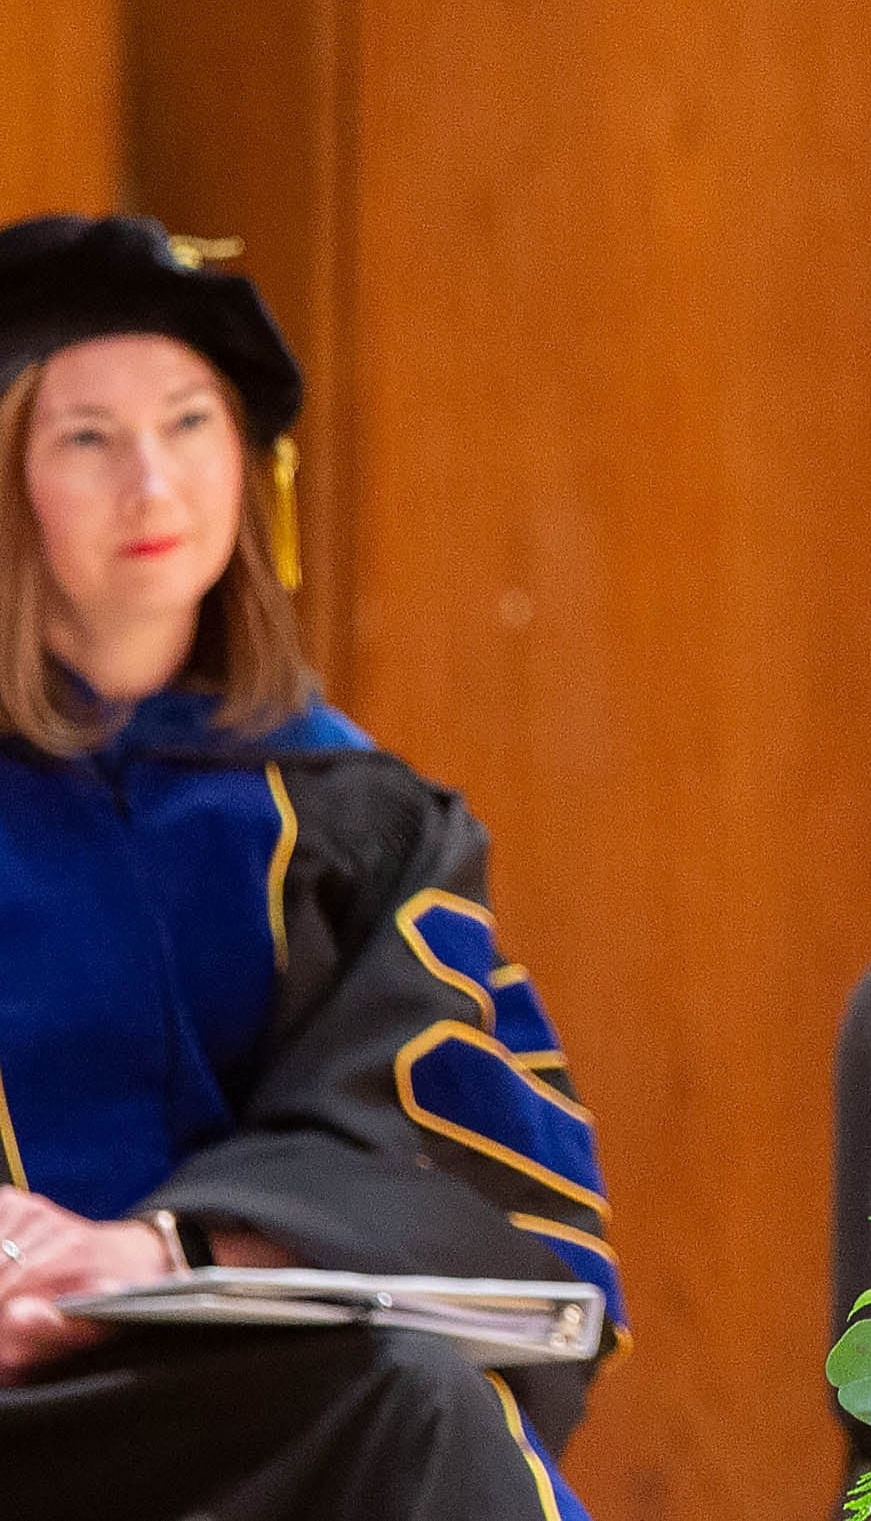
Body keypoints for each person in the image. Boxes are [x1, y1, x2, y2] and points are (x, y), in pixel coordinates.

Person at [0, 216, 617, 1518]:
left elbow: (442, 1142)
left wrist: (167, 1248)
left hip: (246, 1392)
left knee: (423, 1403)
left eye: (189, 423)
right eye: (87, 437)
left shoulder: (351, 815)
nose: (154, 487)